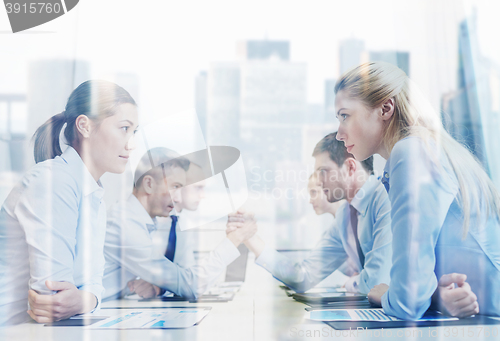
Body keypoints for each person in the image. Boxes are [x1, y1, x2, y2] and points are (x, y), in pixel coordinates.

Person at [333, 61, 499, 319]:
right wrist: (435, 298)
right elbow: (415, 287)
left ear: (386, 108)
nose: (338, 134)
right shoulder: (424, 148)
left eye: (345, 115)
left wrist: (384, 293)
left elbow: (406, 302)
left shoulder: (411, 152)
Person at [0, 80, 139, 325]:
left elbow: (95, 285)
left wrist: (88, 298)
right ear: (84, 126)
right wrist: (86, 297)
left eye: (133, 132)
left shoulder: (93, 195)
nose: (130, 144)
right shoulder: (54, 182)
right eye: (123, 128)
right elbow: (52, 299)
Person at [228, 132, 393, 294]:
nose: (319, 181)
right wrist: (250, 238)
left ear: (350, 167)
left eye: (323, 171)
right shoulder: (345, 216)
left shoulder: (386, 197)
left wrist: (351, 283)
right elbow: (304, 276)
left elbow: (376, 282)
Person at [102, 148, 257, 300]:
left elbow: (179, 276)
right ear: (149, 184)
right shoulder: (125, 226)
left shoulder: (138, 221)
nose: (177, 198)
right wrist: (235, 238)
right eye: (175, 187)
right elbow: (191, 285)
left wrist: (159, 284)